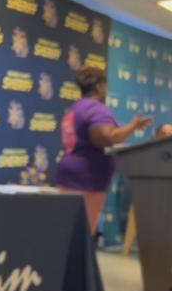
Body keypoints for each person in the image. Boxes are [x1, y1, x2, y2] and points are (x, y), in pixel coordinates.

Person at [56, 66, 152, 235]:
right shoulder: (95, 108)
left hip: (69, 175)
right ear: (100, 86)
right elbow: (108, 136)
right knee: (82, 235)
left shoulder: (76, 107)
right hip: (87, 180)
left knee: (67, 232)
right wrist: (133, 126)